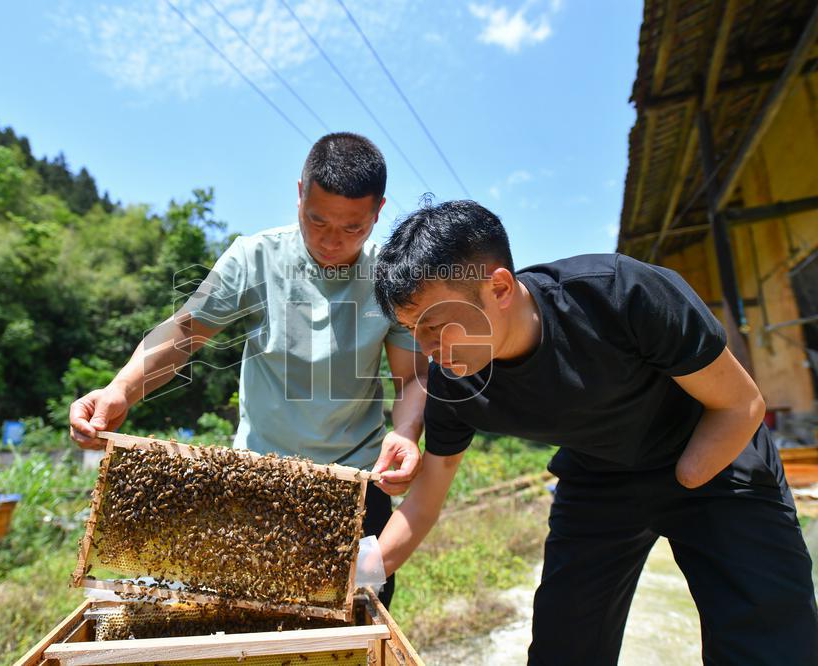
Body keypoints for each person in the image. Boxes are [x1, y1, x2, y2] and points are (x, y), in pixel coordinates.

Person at [370, 199, 818, 664]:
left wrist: (682, 479)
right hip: (599, 477)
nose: (427, 349)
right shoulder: (455, 383)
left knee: (769, 647)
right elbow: (423, 503)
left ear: (499, 288)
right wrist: (355, 574)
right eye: (411, 331)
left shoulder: (620, 295)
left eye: (436, 327)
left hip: (714, 458)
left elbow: (741, 404)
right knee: (564, 649)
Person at [69, 132, 428, 608]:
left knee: (353, 636)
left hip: (358, 489)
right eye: (316, 220)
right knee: (253, 632)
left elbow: (412, 377)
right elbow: (182, 334)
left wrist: (405, 431)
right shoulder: (255, 257)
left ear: (378, 212)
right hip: (259, 485)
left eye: (352, 228)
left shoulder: (387, 277)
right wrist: (120, 390)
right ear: (300, 193)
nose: (329, 240)